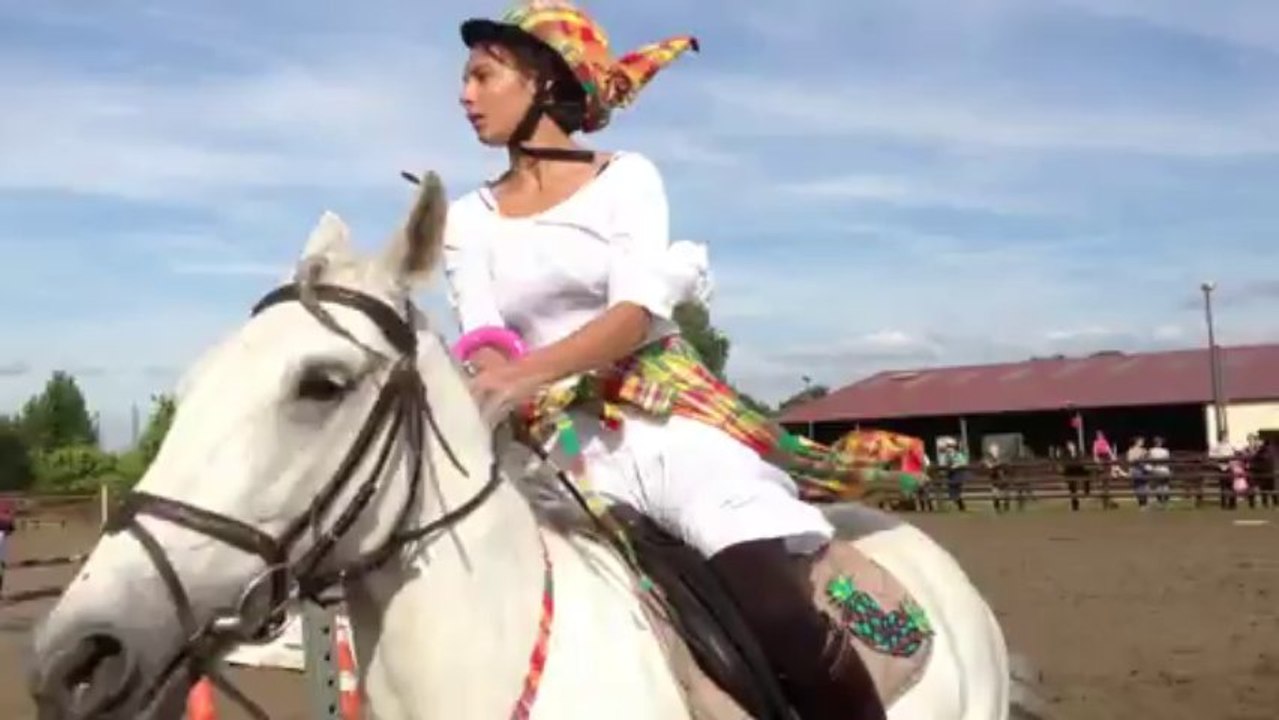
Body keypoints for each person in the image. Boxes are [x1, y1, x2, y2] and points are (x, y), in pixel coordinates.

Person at [440, 3, 904, 717]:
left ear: (539, 80)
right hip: (559, 447)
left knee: (774, 613)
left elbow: (631, 318)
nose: (463, 96)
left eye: (481, 75)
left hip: (666, 431)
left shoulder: (627, 178)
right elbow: (482, 339)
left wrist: (525, 374)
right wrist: (488, 381)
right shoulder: (467, 218)